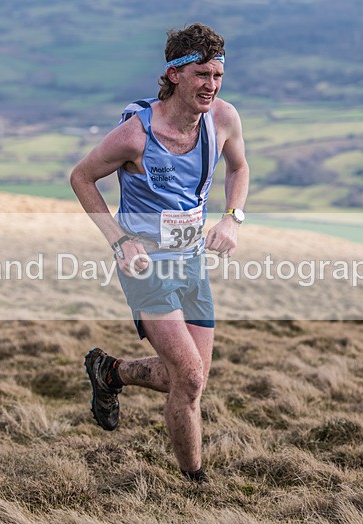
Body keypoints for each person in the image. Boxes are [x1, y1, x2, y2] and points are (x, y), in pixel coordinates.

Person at [70, 22, 249, 484]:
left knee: (187, 380)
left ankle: (111, 371)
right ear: (174, 74)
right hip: (145, 264)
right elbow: (82, 177)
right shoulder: (135, 135)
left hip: (191, 261)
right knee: (189, 377)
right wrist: (118, 238)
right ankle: (195, 483)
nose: (210, 85)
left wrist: (232, 216)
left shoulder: (224, 119)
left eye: (217, 76)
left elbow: (239, 167)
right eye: (200, 75)